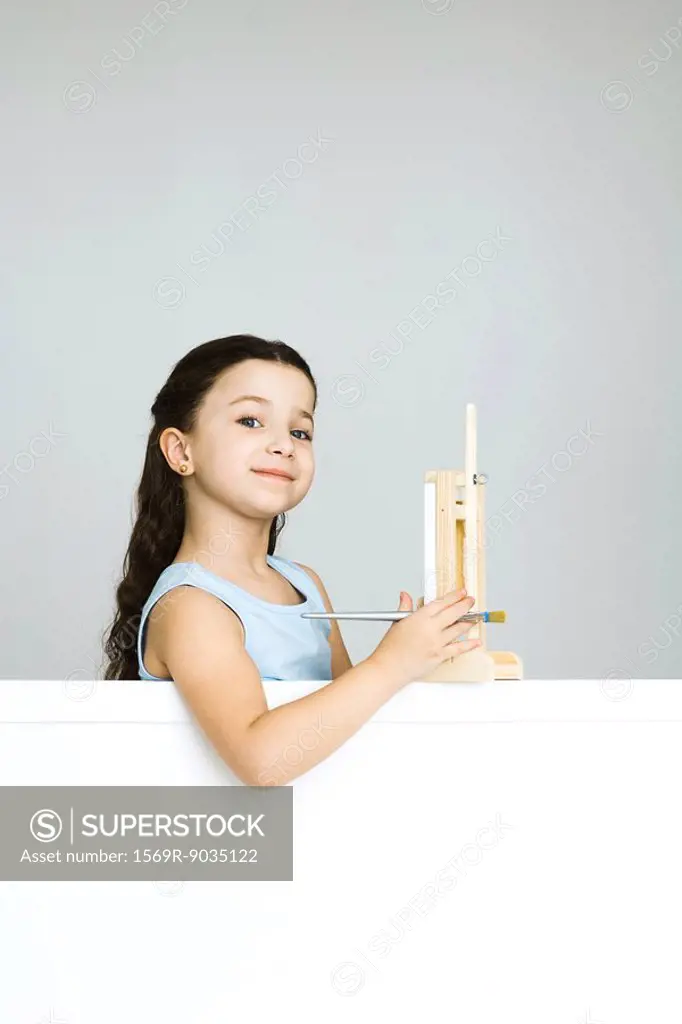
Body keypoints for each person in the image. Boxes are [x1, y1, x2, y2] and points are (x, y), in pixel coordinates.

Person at [102, 334, 481, 784]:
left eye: (300, 431)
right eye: (250, 420)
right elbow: (260, 759)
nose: (284, 444)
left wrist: (418, 656)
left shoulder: (304, 584)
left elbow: (345, 721)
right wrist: (391, 665)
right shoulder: (189, 607)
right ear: (182, 452)